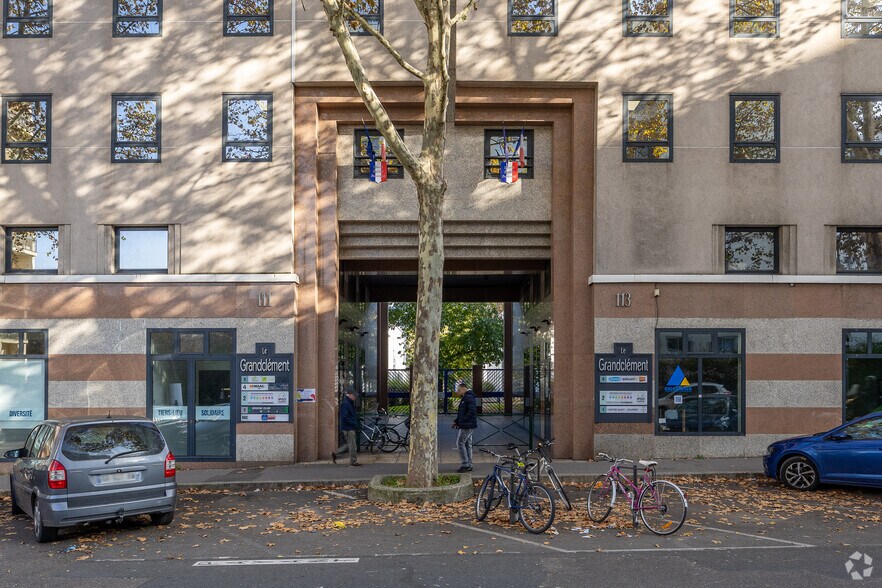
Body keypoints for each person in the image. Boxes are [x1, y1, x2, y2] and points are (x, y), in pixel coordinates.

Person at [331, 390, 362, 466]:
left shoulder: (349, 403)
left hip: (349, 427)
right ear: (349, 395)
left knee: (350, 444)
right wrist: (353, 423)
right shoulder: (346, 404)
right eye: (354, 395)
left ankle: (335, 453)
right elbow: (345, 417)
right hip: (349, 428)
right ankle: (353, 462)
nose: (355, 397)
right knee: (352, 446)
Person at [452, 382, 477, 473]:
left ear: (463, 388)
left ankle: (465, 464)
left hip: (467, 425)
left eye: (458, 390)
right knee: (467, 444)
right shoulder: (466, 397)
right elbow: (463, 412)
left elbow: (471, 411)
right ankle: (469, 464)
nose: (457, 392)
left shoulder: (468, 397)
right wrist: (456, 421)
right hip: (468, 424)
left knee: (460, 443)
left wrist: (462, 421)